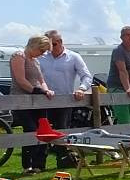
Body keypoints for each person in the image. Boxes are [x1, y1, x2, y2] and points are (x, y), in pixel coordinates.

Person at [40, 30, 93, 168]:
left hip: (64, 101)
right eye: (47, 45)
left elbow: (86, 76)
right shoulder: (41, 57)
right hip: (43, 100)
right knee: (42, 132)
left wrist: (81, 88)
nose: (50, 48)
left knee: (62, 131)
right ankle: (39, 164)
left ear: (61, 42)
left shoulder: (74, 57)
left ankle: (62, 160)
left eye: (53, 44)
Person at [10, 35, 54, 174]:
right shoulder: (19, 56)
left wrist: (46, 90)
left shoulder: (35, 61)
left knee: (43, 129)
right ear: (35, 46)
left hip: (37, 100)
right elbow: (20, 80)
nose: (42, 54)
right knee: (30, 129)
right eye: (41, 50)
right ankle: (27, 165)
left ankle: (39, 164)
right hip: (22, 100)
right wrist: (36, 91)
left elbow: (41, 80)